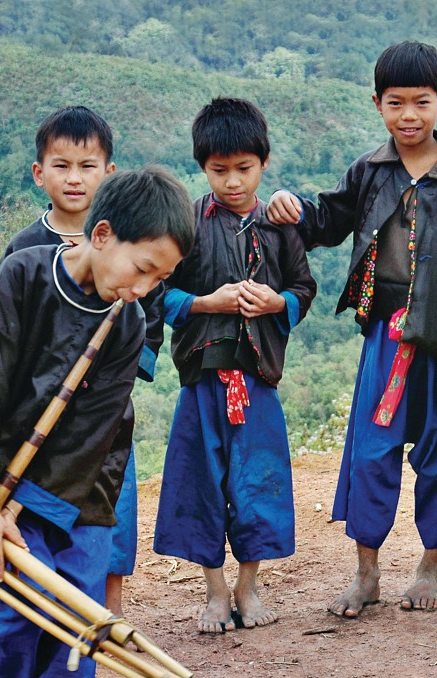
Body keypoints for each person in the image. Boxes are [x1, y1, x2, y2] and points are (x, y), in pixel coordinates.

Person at [0, 166, 194, 678]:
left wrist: (22, 511)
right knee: (23, 599)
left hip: (86, 489)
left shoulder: (129, 322)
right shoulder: (23, 277)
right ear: (103, 234)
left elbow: (92, 431)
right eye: (141, 268)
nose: (142, 288)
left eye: (158, 280)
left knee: (77, 625)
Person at [268, 41, 437, 617]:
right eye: (397, 104)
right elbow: (326, 221)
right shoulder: (369, 171)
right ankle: (366, 574)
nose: (410, 116)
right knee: (372, 451)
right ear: (377, 104)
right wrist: (290, 206)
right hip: (386, 336)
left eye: (422, 103)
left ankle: (430, 567)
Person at [153, 98, 317, 633]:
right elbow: (158, 291)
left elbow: (303, 288)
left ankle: (249, 587)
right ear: (203, 167)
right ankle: (215, 593)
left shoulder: (279, 224)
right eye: (219, 171)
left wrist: (278, 304)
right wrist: (206, 304)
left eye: (244, 169)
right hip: (202, 381)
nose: (233, 182)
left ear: (262, 163)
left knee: (257, 484)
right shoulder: (187, 225)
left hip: (257, 379)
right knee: (200, 484)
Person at [0, 105, 158, 617]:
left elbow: (143, 313)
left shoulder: (132, 244)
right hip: (34, 418)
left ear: (108, 174)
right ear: (39, 172)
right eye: (61, 165)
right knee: (29, 522)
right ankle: (33, 614)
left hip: (102, 419)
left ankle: (107, 615)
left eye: (87, 166)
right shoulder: (25, 250)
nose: (74, 178)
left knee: (109, 515)